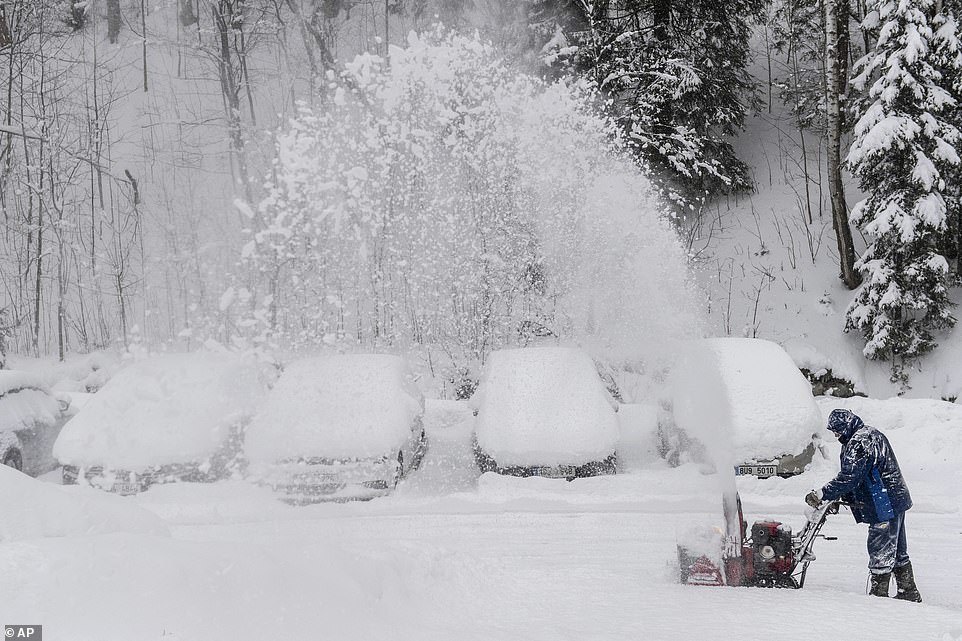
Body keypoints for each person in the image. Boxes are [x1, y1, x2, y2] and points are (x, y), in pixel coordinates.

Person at [805, 408, 921, 601]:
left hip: (883, 503)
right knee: (898, 550)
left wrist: (822, 494)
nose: (836, 435)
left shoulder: (859, 442)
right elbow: (862, 474)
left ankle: (879, 597)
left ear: (845, 426)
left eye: (837, 431)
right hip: (894, 498)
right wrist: (841, 497)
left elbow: (850, 477)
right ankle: (908, 592)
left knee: (881, 549)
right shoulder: (870, 433)